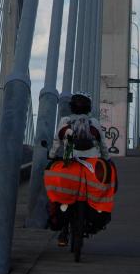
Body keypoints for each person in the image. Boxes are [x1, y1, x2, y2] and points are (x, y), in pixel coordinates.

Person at [47, 92, 111, 246]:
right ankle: (94, 217)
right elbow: (102, 144)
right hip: (92, 162)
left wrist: (52, 155)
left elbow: (57, 141)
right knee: (98, 188)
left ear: (71, 107)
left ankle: (62, 231)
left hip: (70, 161)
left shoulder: (65, 121)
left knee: (60, 189)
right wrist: (106, 159)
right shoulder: (94, 122)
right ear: (89, 108)